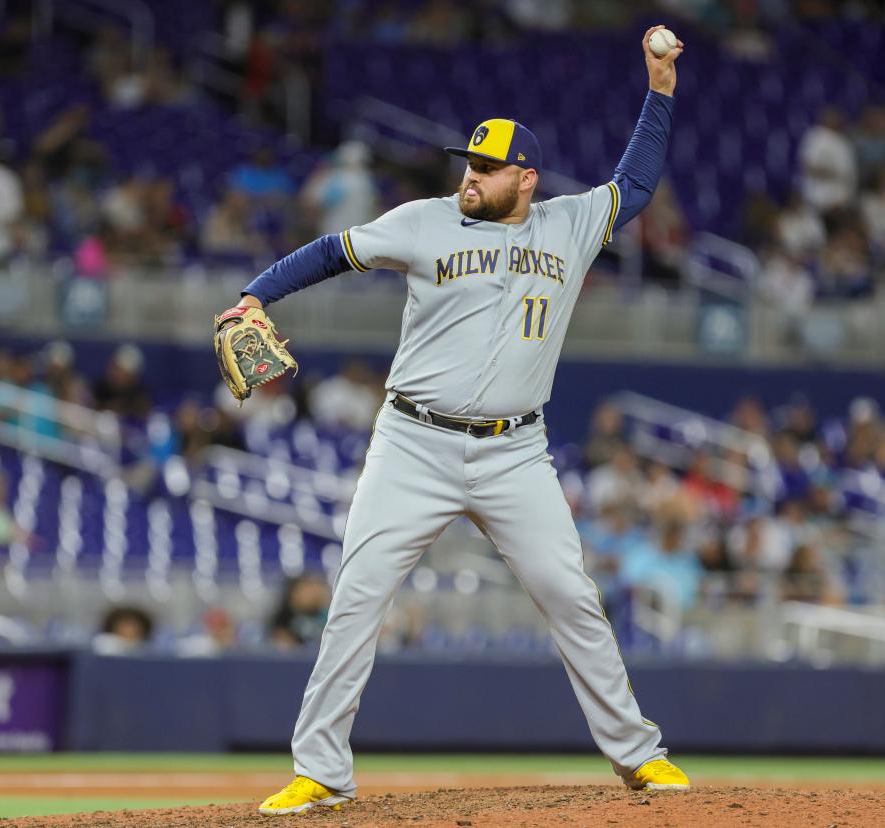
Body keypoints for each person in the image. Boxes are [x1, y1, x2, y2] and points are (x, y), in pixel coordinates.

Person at [230, 27, 689, 815]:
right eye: (468, 163)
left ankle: (639, 756)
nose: (470, 176)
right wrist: (256, 296)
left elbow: (637, 184)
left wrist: (659, 88)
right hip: (413, 443)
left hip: (516, 452)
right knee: (358, 597)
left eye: (486, 167)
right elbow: (334, 250)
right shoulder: (424, 220)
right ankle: (321, 771)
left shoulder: (571, 225)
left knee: (572, 597)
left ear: (527, 179)